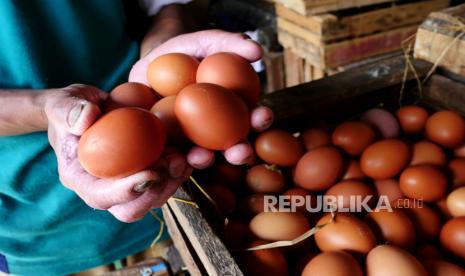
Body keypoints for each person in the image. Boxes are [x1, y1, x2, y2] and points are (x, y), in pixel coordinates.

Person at [0, 0, 269, 274]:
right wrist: (47, 108)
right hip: (43, 233)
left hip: (180, 183)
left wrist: (160, 55)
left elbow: (166, 5)